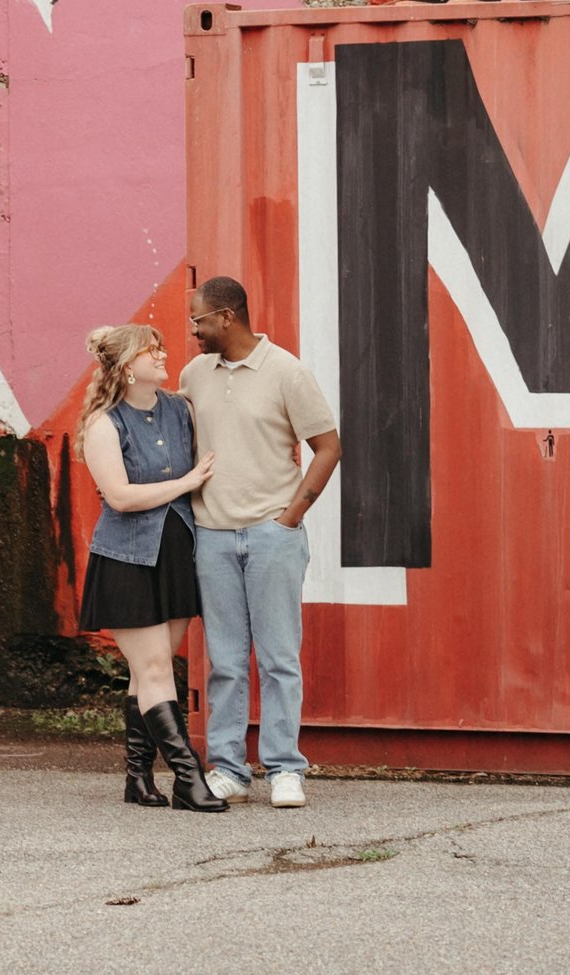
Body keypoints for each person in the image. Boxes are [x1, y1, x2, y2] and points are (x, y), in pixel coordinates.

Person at [182, 275, 340, 809]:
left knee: (278, 659)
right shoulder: (194, 375)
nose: (194, 330)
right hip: (212, 536)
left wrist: (290, 518)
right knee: (225, 662)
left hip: (273, 535)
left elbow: (328, 446)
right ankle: (228, 769)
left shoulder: (287, 372)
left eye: (199, 320)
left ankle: (285, 769)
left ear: (227, 317)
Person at [74, 323, 227, 813]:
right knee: (157, 668)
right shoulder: (104, 425)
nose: (162, 354)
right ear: (126, 367)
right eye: (150, 350)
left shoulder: (180, 410)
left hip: (176, 555)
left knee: (147, 673)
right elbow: (119, 497)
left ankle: (138, 778)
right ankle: (189, 778)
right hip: (127, 561)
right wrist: (186, 483)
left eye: (160, 347)